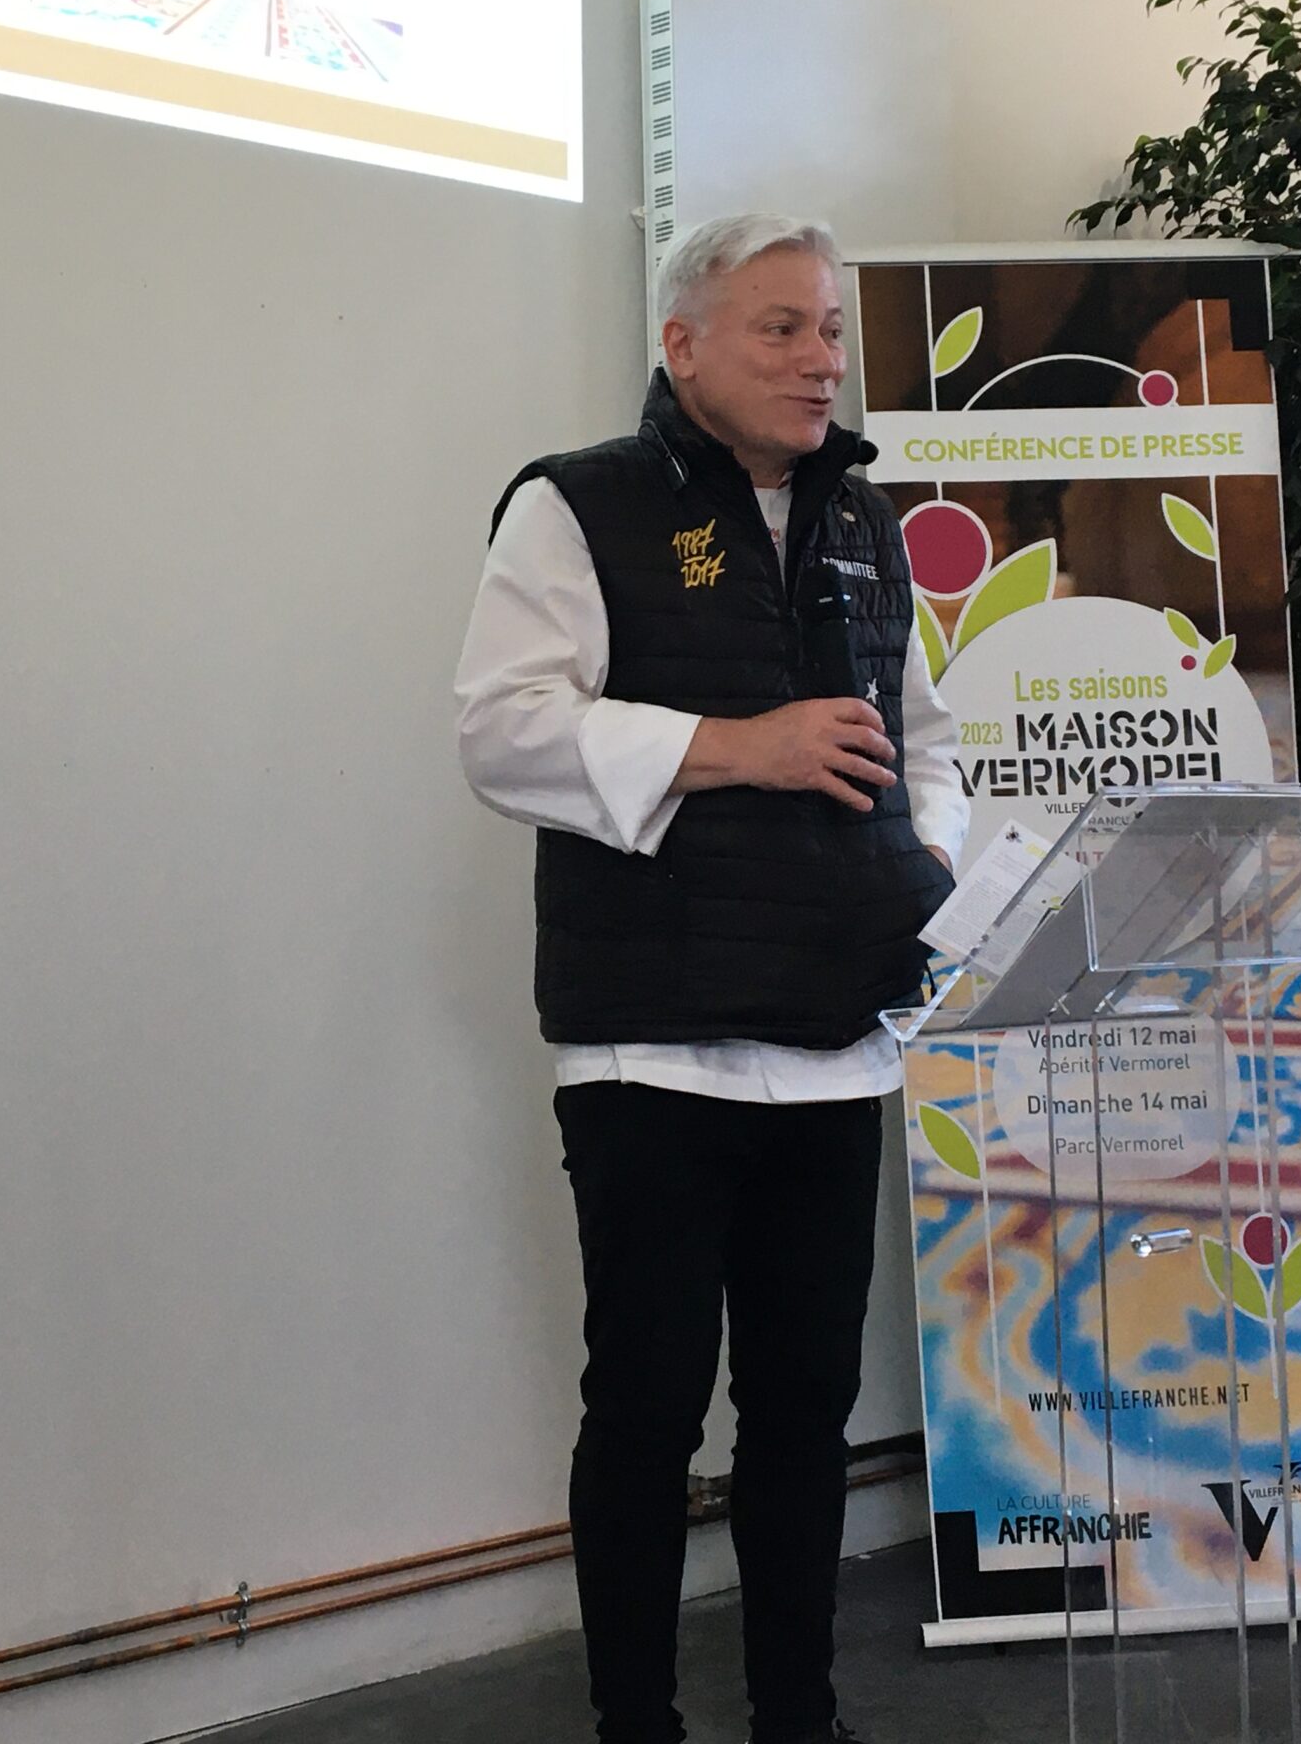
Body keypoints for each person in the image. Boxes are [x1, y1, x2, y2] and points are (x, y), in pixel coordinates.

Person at [456, 214, 964, 1744]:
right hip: (654, 1051)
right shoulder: (576, 505)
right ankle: (638, 1725)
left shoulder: (866, 520)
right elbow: (502, 734)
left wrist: (933, 876)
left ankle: (798, 1716)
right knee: (648, 1412)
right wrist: (742, 748)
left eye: (832, 330)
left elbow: (921, 742)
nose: (821, 361)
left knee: (805, 1415)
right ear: (682, 346)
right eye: (781, 328)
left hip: (837, 1042)